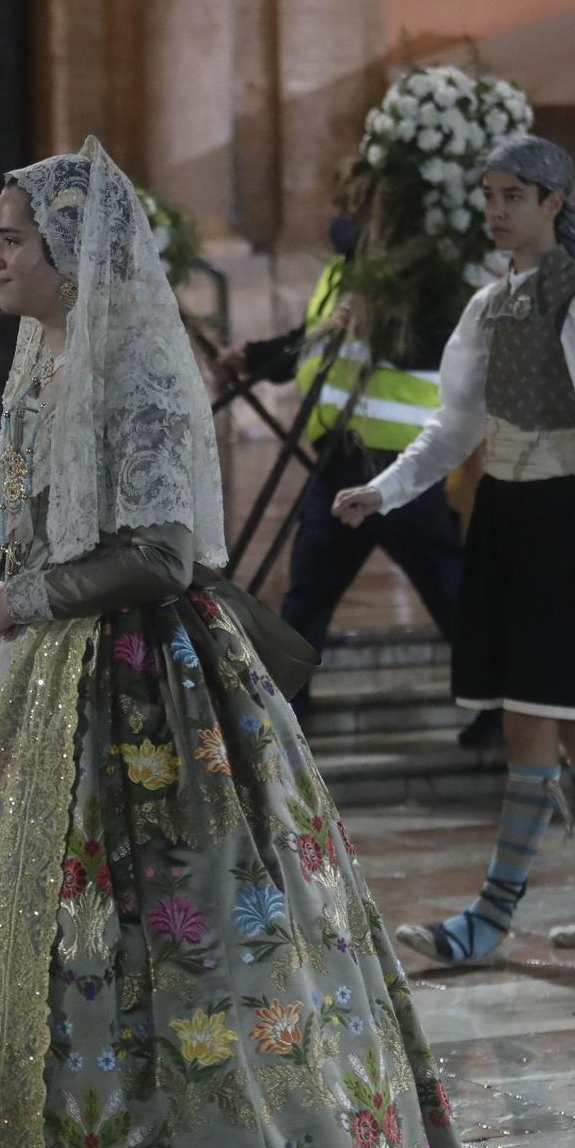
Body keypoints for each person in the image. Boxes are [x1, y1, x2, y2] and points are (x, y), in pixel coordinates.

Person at [0, 137, 463, 1148]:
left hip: (144, 682)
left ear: (70, 252)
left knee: (165, 916)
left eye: (10, 240)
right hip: (42, 669)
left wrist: (24, 604)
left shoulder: (132, 367)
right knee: (34, 919)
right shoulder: (49, 355)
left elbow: (165, 554)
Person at [331, 134, 575, 971]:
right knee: (573, 721)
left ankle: (489, 915)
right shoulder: (491, 304)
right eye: (490, 194)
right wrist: (387, 489)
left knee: (531, 720)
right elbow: (455, 426)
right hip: (508, 520)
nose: (497, 209)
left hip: (566, 522)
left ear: (555, 204)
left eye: (514, 195)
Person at [211, 200, 503, 748]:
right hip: (338, 463)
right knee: (307, 595)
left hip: (403, 470)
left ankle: (500, 705)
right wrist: (250, 358)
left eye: (353, 209)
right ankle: (288, 709)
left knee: (451, 595)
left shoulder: (426, 278)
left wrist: (382, 320)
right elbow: (316, 340)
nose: (341, 219)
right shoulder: (345, 272)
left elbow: (441, 349)